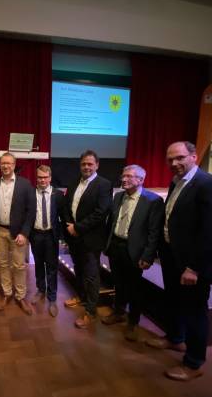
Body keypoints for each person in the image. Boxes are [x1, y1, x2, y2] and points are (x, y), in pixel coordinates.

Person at [146, 141, 212, 381]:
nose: (174, 163)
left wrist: (194, 268)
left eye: (180, 158)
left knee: (195, 312)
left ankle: (194, 363)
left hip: (192, 264)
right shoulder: (176, 181)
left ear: (194, 157)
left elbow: (209, 232)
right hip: (171, 257)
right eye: (170, 159)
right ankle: (175, 338)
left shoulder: (206, 184)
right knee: (174, 301)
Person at [102, 165, 164, 340]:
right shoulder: (118, 196)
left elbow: (154, 232)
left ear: (141, 180)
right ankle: (118, 312)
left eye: (129, 176)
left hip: (135, 250)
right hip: (116, 246)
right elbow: (111, 222)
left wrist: (148, 256)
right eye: (123, 176)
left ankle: (133, 322)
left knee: (135, 288)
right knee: (118, 283)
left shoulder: (153, 201)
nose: (124, 179)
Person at [64, 149, 112, 329]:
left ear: (97, 165)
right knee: (78, 269)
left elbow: (101, 212)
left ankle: (91, 311)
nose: (86, 167)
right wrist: (69, 225)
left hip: (91, 239)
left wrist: (77, 228)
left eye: (90, 164)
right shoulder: (74, 182)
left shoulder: (104, 184)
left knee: (91, 275)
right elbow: (67, 205)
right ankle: (82, 297)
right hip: (74, 237)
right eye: (83, 164)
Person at [0, 152, 36, 315]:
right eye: (3, 163)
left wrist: (24, 233)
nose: (5, 166)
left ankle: (20, 296)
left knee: (19, 265)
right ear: (0, 165)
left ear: (14, 165)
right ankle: (7, 293)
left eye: (9, 163)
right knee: (3, 264)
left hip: (18, 233)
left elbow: (31, 211)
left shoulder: (25, 184)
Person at [30, 165, 65, 317]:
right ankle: (40, 289)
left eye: (45, 177)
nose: (42, 180)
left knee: (52, 267)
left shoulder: (58, 195)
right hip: (36, 235)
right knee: (38, 264)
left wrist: (63, 237)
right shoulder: (31, 193)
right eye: (40, 177)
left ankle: (52, 297)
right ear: (36, 178)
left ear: (50, 178)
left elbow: (64, 216)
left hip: (51, 236)